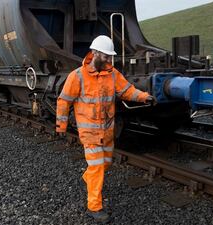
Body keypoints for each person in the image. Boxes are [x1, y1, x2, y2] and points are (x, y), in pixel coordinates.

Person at [56, 35, 156, 223]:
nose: (109, 60)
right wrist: (61, 126)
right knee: (96, 168)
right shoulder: (77, 76)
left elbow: (127, 91)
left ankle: (89, 180)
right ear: (94, 54)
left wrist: (144, 97)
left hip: (108, 131)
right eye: (105, 56)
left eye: (110, 57)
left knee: (105, 164)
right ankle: (94, 207)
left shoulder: (112, 74)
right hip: (90, 133)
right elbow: (64, 101)